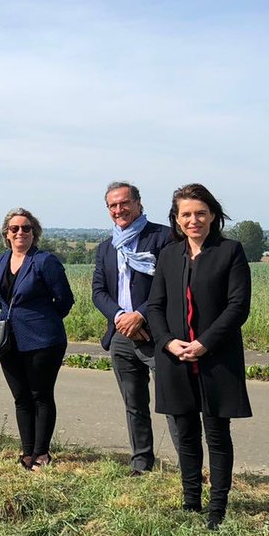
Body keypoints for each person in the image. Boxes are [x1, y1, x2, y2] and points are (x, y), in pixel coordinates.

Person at [146, 184, 252, 529]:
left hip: (216, 358)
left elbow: (238, 306)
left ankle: (217, 509)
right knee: (186, 432)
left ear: (213, 216)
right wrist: (166, 342)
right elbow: (155, 305)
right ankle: (191, 500)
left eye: (200, 213)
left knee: (218, 434)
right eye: (186, 214)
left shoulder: (230, 251)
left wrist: (205, 342)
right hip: (175, 358)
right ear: (176, 220)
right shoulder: (168, 255)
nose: (194, 220)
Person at [91, 181, 174, 475]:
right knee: (133, 403)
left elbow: (169, 284)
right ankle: (141, 462)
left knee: (172, 401)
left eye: (124, 203)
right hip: (121, 337)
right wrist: (121, 318)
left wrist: (140, 315)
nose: (119, 210)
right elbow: (99, 292)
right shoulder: (106, 247)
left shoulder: (163, 237)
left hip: (157, 334)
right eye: (112, 206)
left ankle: (188, 465)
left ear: (138, 203)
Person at [0, 208, 74, 469]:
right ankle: (26, 452)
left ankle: (42, 454)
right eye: (14, 228)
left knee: (41, 395)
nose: (20, 233)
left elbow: (65, 300)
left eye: (26, 228)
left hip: (43, 339)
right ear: (6, 234)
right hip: (9, 340)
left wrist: (43, 319)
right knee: (21, 397)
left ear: (34, 233)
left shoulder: (45, 261)